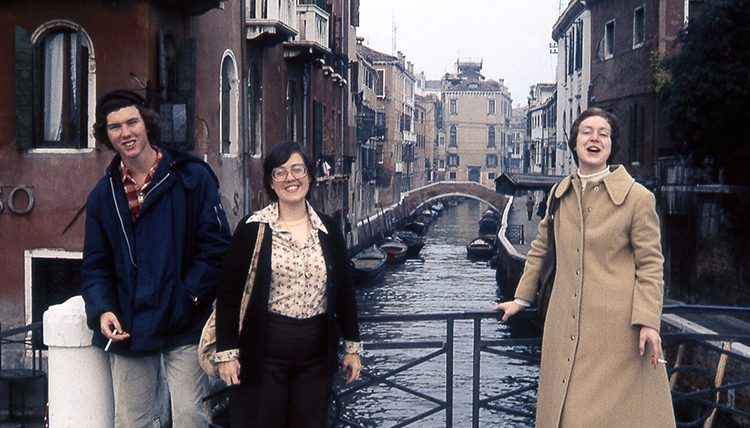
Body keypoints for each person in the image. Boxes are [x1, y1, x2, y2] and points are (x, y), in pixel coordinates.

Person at [493, 108, 676, 427]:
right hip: (564, 327)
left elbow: (650, 265)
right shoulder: (559, 194)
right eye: (586, 132)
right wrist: (521, 298)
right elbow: (541, 249)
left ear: (611, 146)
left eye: (603, 133)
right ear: (575, 144)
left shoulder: (637, 199)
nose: (595, 138)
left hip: (616, 336)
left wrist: (649, 321)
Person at [81, 89, 231, 427]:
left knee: (191, 417)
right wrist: (102, 308)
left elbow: (217, 247)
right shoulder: (102, 197)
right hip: (130, 325)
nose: (126, 133)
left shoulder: (192, 176)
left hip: (184, 321)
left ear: (146, 125)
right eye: (115, 127)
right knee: (132, 421)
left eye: (132, 122)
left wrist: (187, 297)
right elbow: (95, 265)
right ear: (106, 135)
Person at [214, 141, 362, 428]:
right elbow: (229, 295)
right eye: (280, 173)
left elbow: (344, 291)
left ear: (309, 175)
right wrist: (227, 354)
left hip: (316, 355)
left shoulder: (328, 229)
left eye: (298, 169)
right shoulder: (252, 228)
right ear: (271, 181)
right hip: (263, 351)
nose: (290, 178)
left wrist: (353, 348)